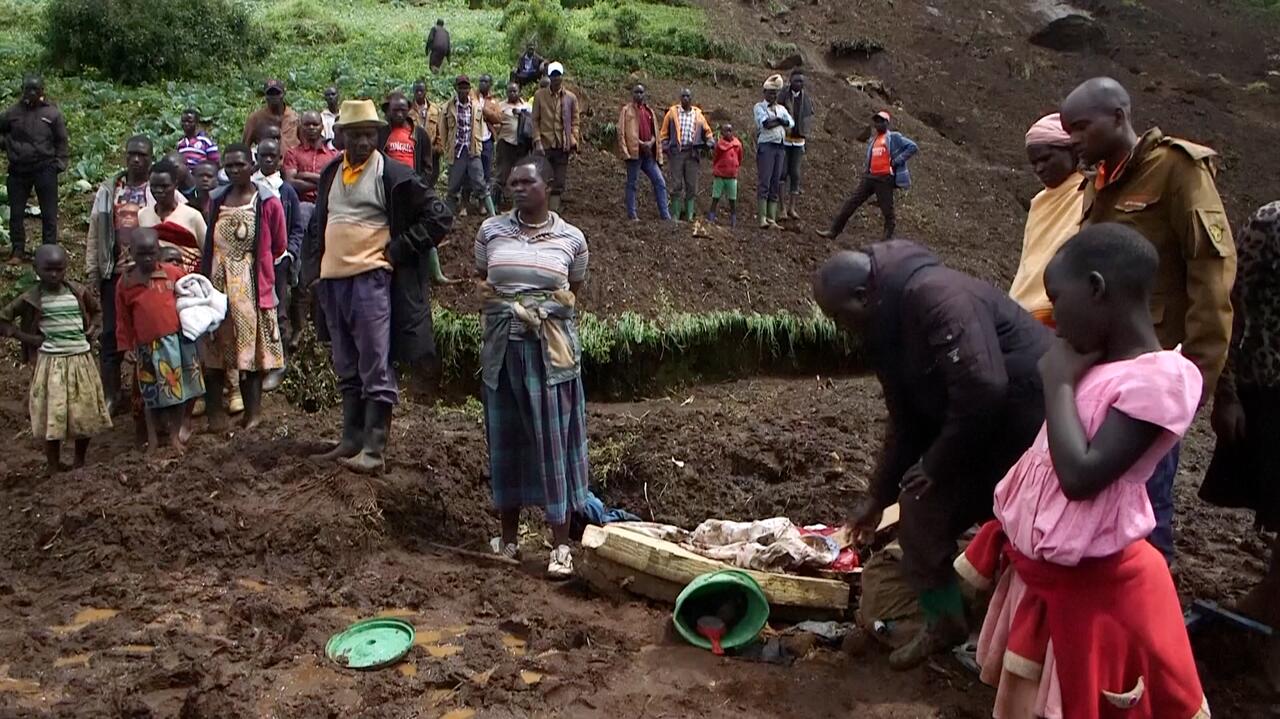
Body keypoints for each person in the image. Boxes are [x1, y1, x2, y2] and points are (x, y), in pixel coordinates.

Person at [960, 223, 1208, 718]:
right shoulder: (1089, 367)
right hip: (1049, 587)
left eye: (1057, 297)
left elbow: (1080, 476)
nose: (1052, 316)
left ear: (1096, 288)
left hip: (1103, 597)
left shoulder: (1161, 378)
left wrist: (1057, 384)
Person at [812, 241, 1050, 669]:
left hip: (1035, 432)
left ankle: (1033, 642)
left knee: (1027, 536)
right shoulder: (886, 330)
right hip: (983, 430)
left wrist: (935, 462)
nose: (840, 328)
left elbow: (983, 386)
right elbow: (905, 419)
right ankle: (946, 621)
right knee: (920, 507)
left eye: (838, 317)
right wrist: (877, 494)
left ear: (862, 298)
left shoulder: (935, 295)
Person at [1061, 76, 1236, 564]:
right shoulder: (1100, 179)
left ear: (1118, 117)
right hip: (1102, 372)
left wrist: (1197, 376)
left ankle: (1147, 623)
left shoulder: (1177, 171)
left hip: (1154, 374)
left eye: (1081, 126)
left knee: (1142, 509)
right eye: (1067, 129)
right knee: (1101, 498)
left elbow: (1213, 273)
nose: (1072, 138)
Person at [301, 99, 453, 474]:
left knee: (375, 361)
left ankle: (374, 449)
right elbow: (317, 225)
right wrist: (312, 274)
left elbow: (440, 217)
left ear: (379, 136)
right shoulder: (332, 173)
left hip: (372, 280)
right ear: (341, 138)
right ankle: (351, 438)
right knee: (346, 360)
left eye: (370, 134)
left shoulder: (394, 175)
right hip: (334, 283)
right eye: (355, 135)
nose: (363, 142)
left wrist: (399, 248)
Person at [476, 155, 589, 579]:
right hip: (503, 350)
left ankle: (561, 546)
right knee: (505, 442)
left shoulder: (571, 239)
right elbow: (483, 281)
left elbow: (572, 289)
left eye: (526, 182)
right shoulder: (490, 231)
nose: (517, 188)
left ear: (548, 185)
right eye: (512, 183)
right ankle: (508, 540)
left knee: (552, 445)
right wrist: (512, 308)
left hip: (550, 354)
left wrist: (538, 310)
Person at [1200, 201, 1280, 690]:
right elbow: (1232, 305)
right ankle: (1265, 633)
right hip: (1270, 390)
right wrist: (1224, 391)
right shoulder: (1271, 223)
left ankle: (1265, 605)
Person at [0, 245, 110, 475]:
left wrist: (92, 329)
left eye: (59, 270)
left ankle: (79, 461)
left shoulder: (78, 292)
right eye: (48, 270)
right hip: (52, 364)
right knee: (53, 415)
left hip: (81, 360)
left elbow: (97, 311)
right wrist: (27, 338)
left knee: (84, 413)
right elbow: (4, 319)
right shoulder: (31, 298)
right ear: (36, 269)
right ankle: (53, 464)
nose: (54, 275)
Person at [200, 144, 287, 432]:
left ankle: (253, 414)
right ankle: (215, 416)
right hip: (216, 281)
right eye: (229, 166)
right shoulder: (217, 199)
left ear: (251, 165)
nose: (235, 170)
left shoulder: (266, 201)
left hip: (248, 283)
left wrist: (249, 267)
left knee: (249, 349)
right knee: (213, 346)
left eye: (240, 164)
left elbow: (279, 244)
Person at [115, 228, 205, 452]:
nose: (148, 259)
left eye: (152, 253)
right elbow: (123, 319)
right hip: (146, 347)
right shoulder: (126, 283)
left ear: (159, 251)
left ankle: (174, 436)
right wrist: (126, 346)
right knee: (149, 396)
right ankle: (153, 438)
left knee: (177, 393)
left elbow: (195, 295)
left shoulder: (172, 274)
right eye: (142, 254)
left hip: (174, 343)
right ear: (131, 253)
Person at [87, 134, 155, 415]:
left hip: (147, 273)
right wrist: (93, 271)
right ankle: (111, 394)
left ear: (151, 159)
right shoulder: (109, 191)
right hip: (114, 273)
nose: (136, 159)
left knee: (148, 333)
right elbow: (95, 231)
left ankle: (149, 394)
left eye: (142, 155)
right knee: (112, 334)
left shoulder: (158, 188)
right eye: (132, 154)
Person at [1008, 113, 1084, 327]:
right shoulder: (1040, 202)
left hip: (1060, 315)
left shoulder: (1088, 193)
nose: (1039, 169)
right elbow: (1029, 263)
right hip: (1022, 311)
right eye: (1034, 163)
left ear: (1072, 151)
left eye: (1046, 158)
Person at [817, 111, 918, 241]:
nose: (878, 124)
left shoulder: (894, 137)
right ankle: (833, 231)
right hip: (870, 177)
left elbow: (912, 147)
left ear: (887, 123)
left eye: (881, 121)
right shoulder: (873, 140)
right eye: (876, 121)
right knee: (851, 203)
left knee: (888, 211)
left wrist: (897, 160)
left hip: (884, 178)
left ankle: (886, 242)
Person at [1, 75, 68, 263]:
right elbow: (2, 130)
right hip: (18, 169)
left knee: (49, 213)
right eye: (27, 90)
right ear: (22, 91)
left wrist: (60, 163)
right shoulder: (12, 113)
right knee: (16, 212)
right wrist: (7, 144)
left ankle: (48, 250)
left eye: (35, 90)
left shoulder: (52, 114)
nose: (31, 94)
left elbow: (61, 140)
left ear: (42, 92)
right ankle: (17, 249)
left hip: (44, 168)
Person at [251, 138, 306, 368]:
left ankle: (279, 362)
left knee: (279, 309)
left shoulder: (287, 191)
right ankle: (256, 360)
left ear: (280, 160)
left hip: (278, 261)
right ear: (257, 158)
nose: (268, 160)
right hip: (252, 260)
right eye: (264, 156)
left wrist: (290, 253)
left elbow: (297, 227)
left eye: (273, 156)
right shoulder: (251, 188)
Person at [139, 158, 207, 273]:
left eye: (164, 186)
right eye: (154, 186)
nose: (159, 191)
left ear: (175, 185)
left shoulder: (192, 216)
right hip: (157, 280)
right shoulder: (143, 215)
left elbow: (208, 252)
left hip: (189, 281)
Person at [442, 75, 496, 217]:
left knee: (481, 184)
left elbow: (478, 128)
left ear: (469, 89)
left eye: (466, 88)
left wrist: (477, 146)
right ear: (456, 89)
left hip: (472, 151)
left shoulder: (476, 107)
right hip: (457, 152)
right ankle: (447, 218)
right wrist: (447, 148)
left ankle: (493, 216)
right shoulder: (448, 108)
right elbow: (443, 131)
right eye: (461, 88)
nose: (463, 91)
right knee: (453, 187)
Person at [531, 62, 580, 213]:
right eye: (553, 75)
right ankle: (540, 210)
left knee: (559, 181)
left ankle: (553, 210)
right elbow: (535, 120)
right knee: (542, 178)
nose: (556, 78)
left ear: (562, 76)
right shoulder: (540, 96)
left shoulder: (570, 98)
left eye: (558, 75)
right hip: (545, 144)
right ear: (549, 77)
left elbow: (575, 121)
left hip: (562, 144)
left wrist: (573, 137)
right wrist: (537, 141)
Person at [617, 84, 670, 222]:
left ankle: (665, 215)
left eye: (641, 92)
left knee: (660, 181)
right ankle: (632, 214)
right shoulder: (626, 110)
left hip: (648, 155)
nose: (639, 95)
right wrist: (629, 149)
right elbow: (621, 132)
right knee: (632, 184)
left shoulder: (649, 111)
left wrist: (651, 143)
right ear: (632, 94)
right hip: (634, 154)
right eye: (636, 92)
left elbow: (655, 133)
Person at [660, 88, 714, 222]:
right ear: (680, 98)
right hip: (677, 152)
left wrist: (709, 141)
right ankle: (675, 215)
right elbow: (663, 134)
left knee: (691, 185)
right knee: (676, 183)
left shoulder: (698, 115)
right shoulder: (672, 113)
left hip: (692, 153)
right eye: (683, 96)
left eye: (688, 96)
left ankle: (689, 215)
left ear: (691, 99)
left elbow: (708, 132)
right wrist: (667, 148)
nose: (685, 98)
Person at [285, 110, 340, 227]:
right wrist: (323, 182)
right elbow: (290, 183)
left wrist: (304, 175)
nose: (311, 128)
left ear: (322, 127)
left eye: (315, 124)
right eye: (307, 124)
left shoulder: (333, 155)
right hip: (301, 203)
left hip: (328, 204)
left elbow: (336, 183)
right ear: (301, 127)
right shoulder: (292, 153)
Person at [753, 75, 793, 229]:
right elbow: (766, 124)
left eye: (775, 93)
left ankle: (771, 218)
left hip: (779, 146)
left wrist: (779, 121)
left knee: (775, 181)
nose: (773, 96)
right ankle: (763, 217)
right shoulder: (759, 107)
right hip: (767, 146)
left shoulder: (781, 108)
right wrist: (780, 121)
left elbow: (790, 122)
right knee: (765, 180)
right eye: (770, 93)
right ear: (764, 93)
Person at [778, 70, 815, 221]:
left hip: (799, 140)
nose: (799, 84)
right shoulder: (783, 96)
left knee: (796, 174)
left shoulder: (806, 99)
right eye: (796, 81)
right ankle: (782, 208)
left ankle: (792, 208)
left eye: (801, 81)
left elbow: (808, 117)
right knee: (782, 172)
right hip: (785, 139)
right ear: (790, 81)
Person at [492, 81, 531, 207]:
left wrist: (522, 114)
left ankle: (518, 204)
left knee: (520, 174)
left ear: (519, 91)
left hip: (522, 145)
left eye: (515, 91)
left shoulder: (526, 105)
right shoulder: (500, 106)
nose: (513, 93)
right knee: (501, 174)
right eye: (510, 91)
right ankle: (495, 203)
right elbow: (494, 122)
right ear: (506, 92)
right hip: (505, 143)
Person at [379, 91, 434, 180]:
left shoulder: (420, 134)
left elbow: (428, 165)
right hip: (389, 184)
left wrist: (421, 182)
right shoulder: (382, 133)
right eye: (395, 110)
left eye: (403, 110)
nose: (400, 115)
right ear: (388, 111)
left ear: (408, 110)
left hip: (412, 183)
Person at [243, 79, 301, 156]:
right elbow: (245, 146)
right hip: (267, 163)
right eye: (270, 94)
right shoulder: (256, 119)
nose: (274, 97)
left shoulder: (295, 117)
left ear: (283, 94)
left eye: (277, 93)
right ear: (265, 96)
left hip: (292, 164)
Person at [707, 123, 742, 226]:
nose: (728, 133)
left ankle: (733, 221)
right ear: (722, 133)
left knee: (732, 200)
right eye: (726, 131)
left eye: (730, 130)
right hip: (720, 176)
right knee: (715, 198)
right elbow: (715, 157)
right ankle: (711, 219)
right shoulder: (719, 145)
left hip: (732, 177)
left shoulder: (737, 145)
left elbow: (739, 158)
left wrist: (735, 167)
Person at [411, 80, 445, 185]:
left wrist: (438, 147)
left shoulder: (435, 110)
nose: (419, 93)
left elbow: (440, 130)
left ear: (426, 91)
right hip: (415, 151)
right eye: (417, 91)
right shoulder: (408, 110)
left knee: (432, 178)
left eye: (421, 91)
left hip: (432, 151)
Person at [476, 74, 497, 189]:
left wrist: (485, 111)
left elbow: (498, 117)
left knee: (486, 170)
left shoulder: (493, 100)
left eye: (486, 81)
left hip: (487, 138)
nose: (483, 83)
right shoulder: (472, 96)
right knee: (472, 170)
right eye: (481, 81)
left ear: (490, 84)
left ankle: (483, 202)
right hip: (474, 138)